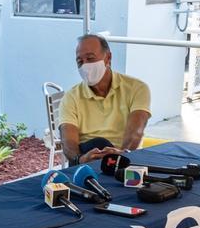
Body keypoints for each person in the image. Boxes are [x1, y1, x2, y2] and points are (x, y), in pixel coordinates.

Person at [59, 34, 152, 164]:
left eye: (90, 58)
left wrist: (120, 156)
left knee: (101, 144)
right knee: (98, 143)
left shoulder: (136, 88)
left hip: (125, 158)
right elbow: (68, 141)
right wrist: (80, 159)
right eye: (80, 62)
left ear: (108, 58)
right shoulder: (71, 97)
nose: (85, 66)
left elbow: (136, 133)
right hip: (87, 160)